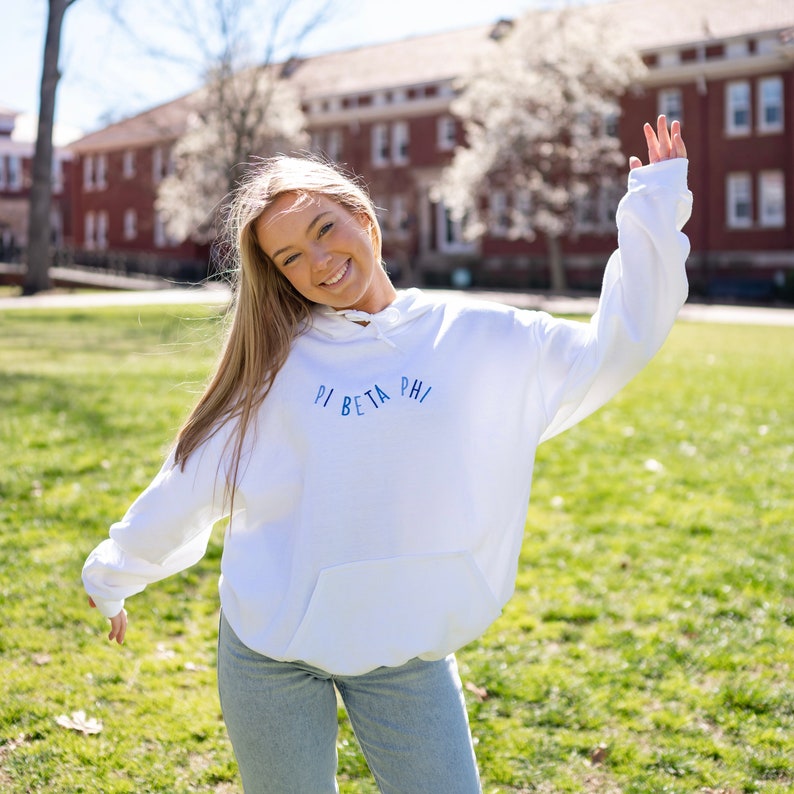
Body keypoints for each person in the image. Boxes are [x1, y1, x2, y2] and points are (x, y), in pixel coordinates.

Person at [83, 116, 690, 793]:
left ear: (364, 220)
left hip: (403, 647)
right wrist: (114, 574)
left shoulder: (476, 338)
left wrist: (656, 202)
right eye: (289, 258)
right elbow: (190, 483)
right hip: (272, 650)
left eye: (324, 230)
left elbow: (615, 346)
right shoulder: (271, 374)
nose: (317, 261)